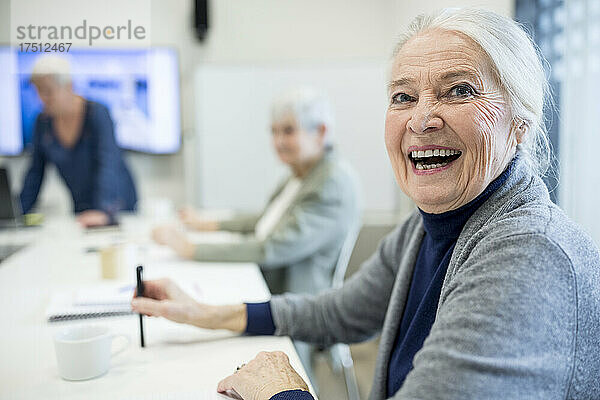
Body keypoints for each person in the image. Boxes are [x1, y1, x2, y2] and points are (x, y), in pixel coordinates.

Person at [132, 8, 600, 400]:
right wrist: (204, 312)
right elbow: (339, 311)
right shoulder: (430, 225)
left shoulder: (529, 255)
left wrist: (283, 393)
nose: (421, 119)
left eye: (460, 90)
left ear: (520, 121)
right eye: (403, 96)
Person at [152, 87, 361, 296]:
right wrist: (207, 224)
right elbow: (265, 220)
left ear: (321, 132)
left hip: (298, 306)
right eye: (274, 131)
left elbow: (271, 248)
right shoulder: (301, 172)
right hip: (269, 287)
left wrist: (191, 249)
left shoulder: (332, 184)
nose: (278, 142)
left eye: (288, 131)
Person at [19, 55, 137, 227]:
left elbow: (108, 163)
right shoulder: (43, 123)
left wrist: (103, 210)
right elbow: (35, 174)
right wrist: (16, 212)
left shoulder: (97, 114)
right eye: (38, 91)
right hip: (81, 207)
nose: (42, 98)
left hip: (115, 204)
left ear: (69, 86)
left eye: (48, 91)